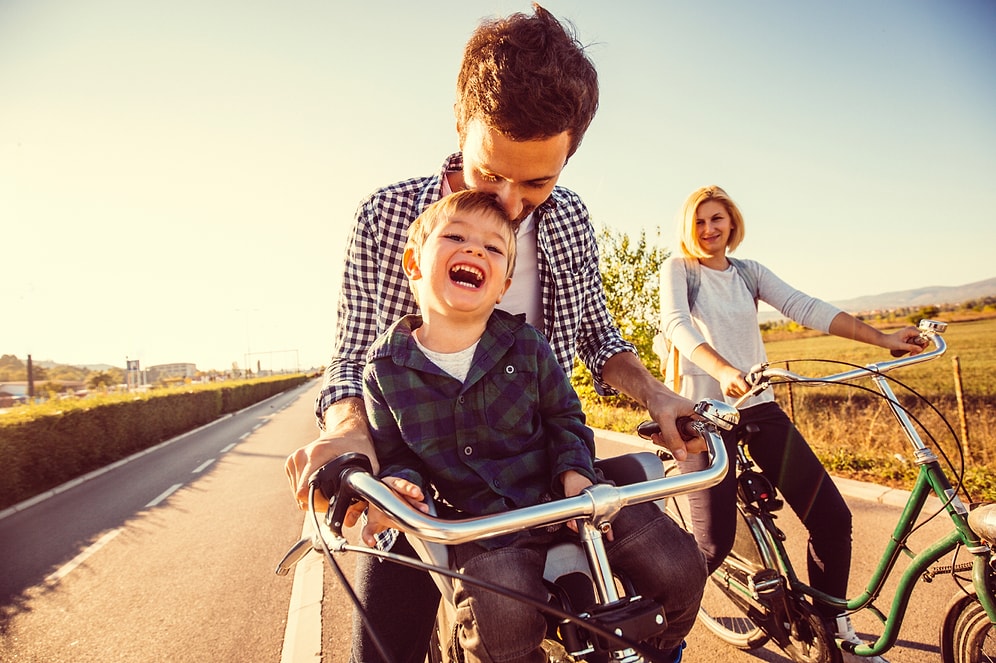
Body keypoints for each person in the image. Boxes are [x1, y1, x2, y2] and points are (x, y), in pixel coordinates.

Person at [283, 6, 704, 662]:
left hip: (553, 475)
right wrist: (348, 434)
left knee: (649, 632)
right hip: (427, 491)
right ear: (460, 128)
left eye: (537, 180)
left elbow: (597, 335)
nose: (510, 203)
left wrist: (660, 396)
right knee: (381, 650)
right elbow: (351, 362)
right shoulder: (388, 215)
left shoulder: (567, 221)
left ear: (569, 153)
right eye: (490, 174)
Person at [363, 190, 703, 663]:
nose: (475, 250)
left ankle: (663, 650)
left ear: (502, 284)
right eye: (456, 237)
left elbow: (565, 417)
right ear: (413, 264)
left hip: (572, 496)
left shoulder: (527, 345)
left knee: (679, 566)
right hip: (485, 523)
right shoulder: (384, 370)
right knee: (498, 625)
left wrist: (575, 474)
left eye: (494, 248)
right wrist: (404, 485)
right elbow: (399, 456)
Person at [658, 184, 925, 663]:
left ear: (732, 222)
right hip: (703, 417)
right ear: (687, 228)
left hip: (757, 406)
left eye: (717, 219)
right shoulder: (679, 270)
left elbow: (806, 307)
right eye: (699, 221)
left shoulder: (748, 273)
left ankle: (832, 627)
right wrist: (723, 372)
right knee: (713, 546)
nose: (709, 229)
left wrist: (882, 338)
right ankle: (661, 632)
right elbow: (678, 324)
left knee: (831, 517)